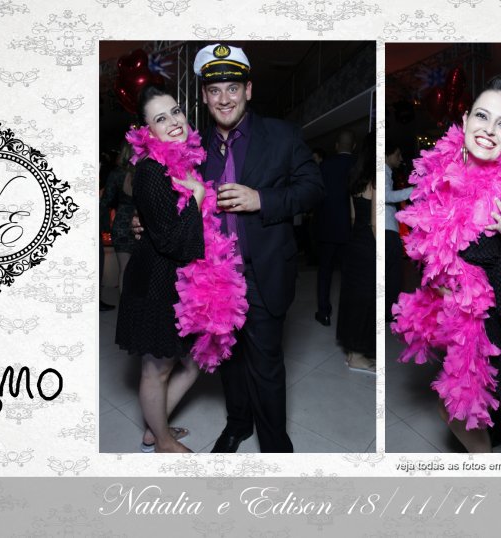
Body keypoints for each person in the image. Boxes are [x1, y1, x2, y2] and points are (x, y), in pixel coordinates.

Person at [392, 76, 501, 453]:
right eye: (482, 117)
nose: (488, 129)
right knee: (452, 409)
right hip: (467, 323)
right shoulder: (439, 177)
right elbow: (429, 250)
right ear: (466, 119)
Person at [194, 44, 324, 452]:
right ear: (204, 97)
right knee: (229, 360)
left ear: (248, 90)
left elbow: (314, 189)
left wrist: (261, 199)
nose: (224, 98)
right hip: (214, 279)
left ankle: (274, 443)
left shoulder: (281, 135)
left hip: (262, 271)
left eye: (232, 88)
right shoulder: (194, 148)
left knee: (265, 363)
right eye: (215, 90)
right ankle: (237, 425)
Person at [115, 86, 209, 453]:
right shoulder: (151, 171)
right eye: (160, 118)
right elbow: (171, 241)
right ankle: (163, 442)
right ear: (147, 131)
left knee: (190, 364)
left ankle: (155, 430)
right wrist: (196, 198)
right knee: (157, 369)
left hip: (172, 281)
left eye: (175, 111)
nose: (173, 121)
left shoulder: (181, 164)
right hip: (154, 283)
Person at [336, 131, 376, 373]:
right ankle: (358, 356)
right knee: (367, 300)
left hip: (355, 244)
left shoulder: (355, 177)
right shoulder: (375, 178)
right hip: (370, 245)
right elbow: (375, 222)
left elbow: (353, 217)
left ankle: (352, 352)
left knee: (354, 298)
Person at [314, 130, 356, 326]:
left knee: (325, 272)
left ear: (337, 146)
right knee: (350, 275)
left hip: (327, 227)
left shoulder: (325, 166)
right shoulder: (358, 165)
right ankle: (348, 317)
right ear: (353, 146)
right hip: (351, 228)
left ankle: (324, 313)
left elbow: (317, 196)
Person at [100, 143, 137, 292]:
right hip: (140, 223)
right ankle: (135, 305)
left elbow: (105, 201)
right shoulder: (145, 172)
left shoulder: (117, 173)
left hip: (121, 223)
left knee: (124, 269)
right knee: (140, 271)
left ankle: (124, 305)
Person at [384, 144, 412, 322]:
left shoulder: (387, 172)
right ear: (387, 154)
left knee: (391, 273)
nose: (400, 159)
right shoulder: (383, 171)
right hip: (387, 229)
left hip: (389, 228)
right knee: (393, 273)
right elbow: (386, 196)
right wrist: (414, 190)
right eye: (397, 154)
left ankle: (388, 310)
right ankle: (389, 311)